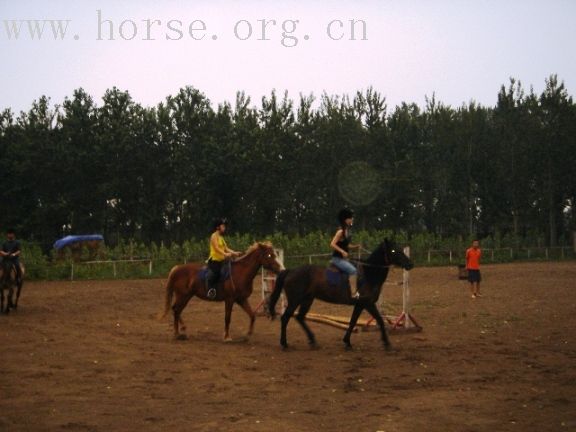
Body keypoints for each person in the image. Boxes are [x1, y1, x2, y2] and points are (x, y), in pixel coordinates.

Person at [330, 208, 361, 299]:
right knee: (353, 271)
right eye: (351, 218)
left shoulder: (347, 231)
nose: (352, 219)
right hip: (337, 259)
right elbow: (332, 244)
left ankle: (347, 288)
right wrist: (342, 251)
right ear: (346, 220)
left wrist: (355, 246)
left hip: (343, 259)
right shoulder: (340, 232)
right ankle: (353, 294)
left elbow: (346, 245)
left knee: (357, 267)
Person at [206, 218, 241, 299]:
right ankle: (210, 290)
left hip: (222, 260)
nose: (224, 228)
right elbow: (216, 248)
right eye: (223, 226)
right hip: (214, 260)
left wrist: (234, 253)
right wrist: (225, 254)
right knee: (216, 273)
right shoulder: (214, 236)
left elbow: (226, 248)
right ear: (218, 227)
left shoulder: (221, 237)